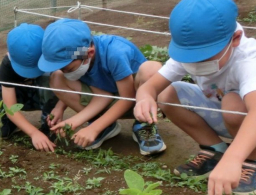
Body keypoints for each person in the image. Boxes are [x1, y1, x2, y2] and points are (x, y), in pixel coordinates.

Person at [134, 0, 256, 195]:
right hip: (229, 111)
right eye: (189, 58)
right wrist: (145, 96)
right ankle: (214, 149)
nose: (194, 64)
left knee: (233, 102)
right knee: (165, 92)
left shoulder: (252, 61)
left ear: (235, 39)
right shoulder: (193, 48)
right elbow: (151, 87)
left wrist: (233, 159)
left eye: (204, 58)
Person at [38, 18, 165, 153]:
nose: (66, 73)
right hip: (107, 95)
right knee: (56, 77)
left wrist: (94, 129)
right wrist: (65, 113)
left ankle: (144, 124)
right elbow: (102, 96)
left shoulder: (115, 53)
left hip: (135, 100)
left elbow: (127, 98)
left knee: (151, 69)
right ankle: (105, 126)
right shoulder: (80, 53)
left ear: (89, 53)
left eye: (68, 69)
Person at [0, 24, 58, 151]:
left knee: (52, 77)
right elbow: (10, 107)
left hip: (46, 97)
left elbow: (67, 86)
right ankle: (10, 123)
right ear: (9, 54)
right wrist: (33, 133)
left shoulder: (54, 58)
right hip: (22, 98)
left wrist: (59, 109)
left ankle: (48, 125)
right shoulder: (7, 65)